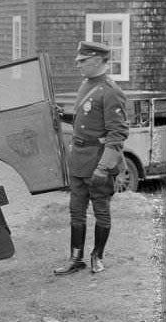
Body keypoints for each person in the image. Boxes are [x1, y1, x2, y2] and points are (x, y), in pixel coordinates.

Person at [54, 41, 128, 275]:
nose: (78, 65)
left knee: (101, 211)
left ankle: (97, 256)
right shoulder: (86, 85)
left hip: (98, 162)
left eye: (82, 61)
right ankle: (76, 258)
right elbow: (84, 123)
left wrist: (104, 168)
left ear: (97, 60)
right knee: (76, 211)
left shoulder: (110, 90)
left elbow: (117, 135)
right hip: (78, 161)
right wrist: (62, 117)